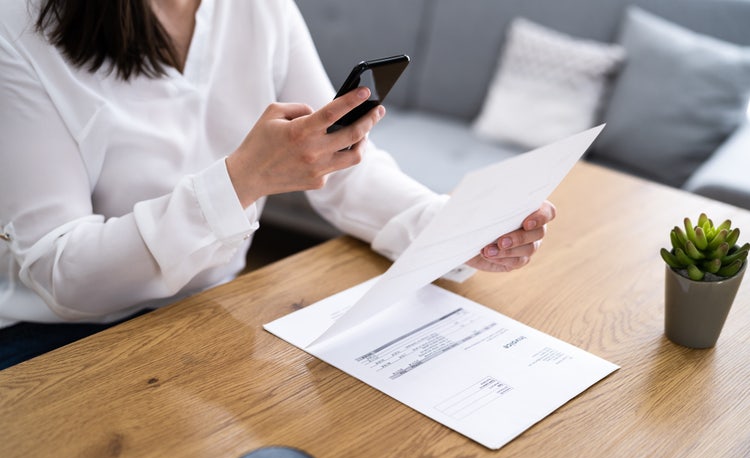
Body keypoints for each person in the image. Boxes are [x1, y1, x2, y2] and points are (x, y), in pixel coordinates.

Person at [0, 0, 556, 369]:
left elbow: (342, 173)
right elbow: (59, 274)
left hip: (210, 310)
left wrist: (453, 232)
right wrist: (241, 180)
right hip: (55, 340)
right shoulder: (18, 28)